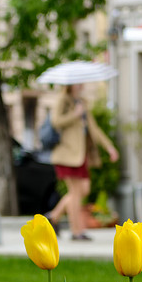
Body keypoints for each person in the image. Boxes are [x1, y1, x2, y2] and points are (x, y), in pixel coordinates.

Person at [45, 83, 119, 241]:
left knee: (83, 190)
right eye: (78, 83)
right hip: (67, 154)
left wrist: (109, 147)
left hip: (80, 155)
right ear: (71, 84)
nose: (81, 85)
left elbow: (94, 129)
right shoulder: (63, 100)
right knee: (75, 193)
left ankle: (53, 216)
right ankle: (76, 231)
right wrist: (75, 114)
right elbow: (56, 121)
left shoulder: (82, 102)